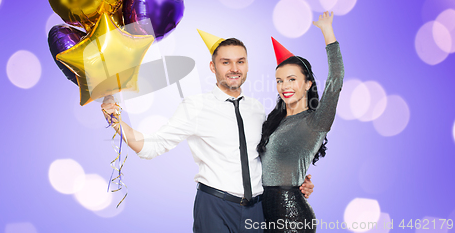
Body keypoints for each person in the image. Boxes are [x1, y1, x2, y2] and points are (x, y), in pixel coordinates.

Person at [101, 30, 315, 233]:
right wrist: (116, 122)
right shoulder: (195, 107)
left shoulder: (257, 108)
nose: (234, 68)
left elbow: (266, 156)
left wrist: (295, 181)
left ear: (247, 65)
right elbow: (151, 147)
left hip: (257, 211)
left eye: (240, 61)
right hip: (215, 206)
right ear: (212, 67)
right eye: (226, 62)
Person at [257, 11, 344, 232]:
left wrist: (327, 31)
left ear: (308, 84)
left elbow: (336, 77)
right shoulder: (274, 121)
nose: (284, 86)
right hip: (262, 211)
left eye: (292, 79)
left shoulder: (316, 121)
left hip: (292, 216)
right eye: (279, 81)